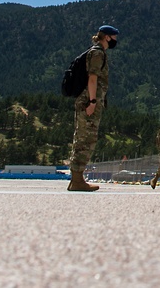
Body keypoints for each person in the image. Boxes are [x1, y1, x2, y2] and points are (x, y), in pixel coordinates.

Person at [68, 24, 119, 192]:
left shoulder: (98, 52)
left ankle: (76, 179)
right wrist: (92, 102)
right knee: (86, 139)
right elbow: (92, 78)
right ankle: (77, 180)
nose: (115, 40)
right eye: (114, 37)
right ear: (107, 37)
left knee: (84, 137)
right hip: (89, 102)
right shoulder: (97, 53)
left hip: (90, 101)